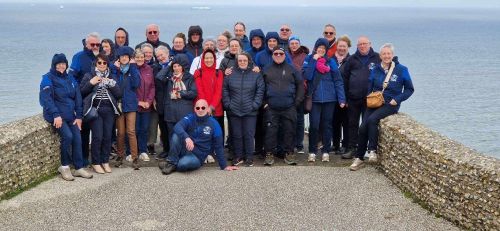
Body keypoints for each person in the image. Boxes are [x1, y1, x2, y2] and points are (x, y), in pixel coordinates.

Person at [350, 43, 414, 171]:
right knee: (362, 128)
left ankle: (372, 151)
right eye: (384, 54)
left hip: (390, 104)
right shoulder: (375, 69)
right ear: (380, 55)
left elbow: (409, 89)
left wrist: (398, 99)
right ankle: (359, 158)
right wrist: (370, 97)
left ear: (392, 55)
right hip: (375, 102)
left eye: (388, 53)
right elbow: (370, 86)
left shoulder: (402, 69)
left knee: (372, 120)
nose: (386, 56)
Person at [39, 53, 93, 180]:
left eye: (63, 64)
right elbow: (46, 99)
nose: (61, 66)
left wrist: (79, 116)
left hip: (71, 116)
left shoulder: (70, 78)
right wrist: (55, 115)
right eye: (58, 64)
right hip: (57, 116)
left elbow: (78, 98)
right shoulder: (47, 78)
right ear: (54, 65)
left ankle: (79, 168)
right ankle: (64, 167)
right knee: (68, 136)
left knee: (77, 138)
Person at [158, 99, 239, 175]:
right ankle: (172, 162)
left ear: (208, 109)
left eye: (203, 107)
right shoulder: (190, 117)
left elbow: (218, 146)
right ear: (195, 109)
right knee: (176, 135)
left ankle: (171, 164)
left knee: (182, 165)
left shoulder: (214, 124)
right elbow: (177, 126)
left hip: (197, 156)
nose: (200, 110)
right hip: (186, 148)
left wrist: (224, 166)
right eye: (198, 108)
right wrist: (187, 138)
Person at [303, 38, 346, 162]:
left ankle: (326, 151)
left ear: (326, 49)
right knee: (314, 126)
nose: (321, 49)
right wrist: (314, 60)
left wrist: (341, 98)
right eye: (319, 47)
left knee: (327, 125)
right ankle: (312, 151)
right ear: (316, 48)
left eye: (323, 48)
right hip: (315, 99)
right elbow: (307, 76)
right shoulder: (309, 59)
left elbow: (338, 80)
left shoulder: (331, 61)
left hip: (329, 99)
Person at [262, 47, 304, 166]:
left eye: (281, 53)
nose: (279, 55)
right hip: (271, 107)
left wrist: (296, 102)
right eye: (276, 53)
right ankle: (269, 154)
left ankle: (289, 153)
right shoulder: (266, 70)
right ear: (272, 55)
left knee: (289, 131)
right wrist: (264, 103)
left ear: (285, 55)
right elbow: (260, 88)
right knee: (270, 131)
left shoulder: (292, 69)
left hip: (289, 106)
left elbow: (300, 86)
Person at [80, 53, 122, 174]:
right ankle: (96, 162)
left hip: (109, 109)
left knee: (108, 137)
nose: (102, 65)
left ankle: (105, 161)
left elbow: (119, 95)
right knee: (97, 137)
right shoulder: (89, 75)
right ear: (95, 64)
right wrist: (91, 83)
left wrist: (111, 85)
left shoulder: (112, 76)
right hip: (95, 110)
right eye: (100, 62)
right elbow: (81, 92)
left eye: (104, 63)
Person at [340, 36, 381, 159]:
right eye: (360, 44)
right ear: (357, 46)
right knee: (352, 124)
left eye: (364, 44)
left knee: (367, 124)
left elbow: (386, 69)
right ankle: (352, 148)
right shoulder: (352, 59)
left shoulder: (377, 58)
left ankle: (368, 150)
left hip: (370, 99)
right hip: (353, 98)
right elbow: (345, 79)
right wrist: (345, 98)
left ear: (370, 44)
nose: (362, 46)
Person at [223, 52, 265, 166]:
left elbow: (260, 90)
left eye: (244, 60)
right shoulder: (230, 74)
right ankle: (238, 156)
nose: (242, 62)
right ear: (237, 62)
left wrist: (255, 105)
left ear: (249, 61)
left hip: (250, 110)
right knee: (236, 134)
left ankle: (249, 157)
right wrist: (228, 104)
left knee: (249, 134)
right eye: (240, 60)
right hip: (234, 109)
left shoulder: (256, 74)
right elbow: (225, 90)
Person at [68, 32, 101, 167]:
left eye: (97, 44)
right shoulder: (79, 57)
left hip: (99, 99)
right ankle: (83, 159)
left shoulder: (101, 57)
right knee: (83, 130)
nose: (94, 46)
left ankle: (97, 159)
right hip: (83, 98)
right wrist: (78, 93)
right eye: (92, 44)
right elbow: (71, 77)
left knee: (99, 132)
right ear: (86, 44)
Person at [156, 54, 197, 140]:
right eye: (174, 66)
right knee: (172, 136)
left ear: (183, 67)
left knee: (186, 136)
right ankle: (174, 153)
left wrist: (180, 94)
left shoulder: (189, 78)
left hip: (185, 112)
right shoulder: (169, 78)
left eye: (179, 66)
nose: (176, 68)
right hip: (171, 113)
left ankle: (186, 153)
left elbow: (193, 93)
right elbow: (159, 77)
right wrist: (169, 65)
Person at [113, 46, 141, 169]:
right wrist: (115, 69)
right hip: (119, 104)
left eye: (126, 56)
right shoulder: (116, 71)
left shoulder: (133, 70)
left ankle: (135, 157)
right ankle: (120, 155)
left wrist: (133, 67)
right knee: (121, 132)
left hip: (131, 105)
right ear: (118, 58)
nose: (124, 58)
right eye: (121, 56)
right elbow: (113, 84)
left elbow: (136, 84)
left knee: (131, 131)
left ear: (129, 58)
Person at [193, 50, 224, 163]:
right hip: (202, 108)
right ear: (202, 59)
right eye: (206, 58)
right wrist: (205, 108)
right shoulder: (198, 72)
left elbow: (218, 91)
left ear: (214, 59)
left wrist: (212, 107)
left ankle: (211, 152)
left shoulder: (219, 73)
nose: (209, 60)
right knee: (202, 132)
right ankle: (203, 154)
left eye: (211, 58)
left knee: (213, 132)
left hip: (216, 108)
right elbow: (199, 90)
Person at [288, 36, 309, 154]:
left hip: (301, 90)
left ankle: (299, 144)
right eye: (292, 43)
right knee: (288, 119)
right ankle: (290, 143)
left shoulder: (305, 56)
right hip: (288, 91)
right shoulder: (285, 55)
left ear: (299, 44)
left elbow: (306, 72)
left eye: (296, 43)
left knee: (300, 119)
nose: (294, 45)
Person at [331, 35, 352, 154]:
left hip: (347, 97)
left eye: (344, 46)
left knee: (346, 122)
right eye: (340, 46)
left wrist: (348, 99)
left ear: (348, 47)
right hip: (333, 96)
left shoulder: (352, 60)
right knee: (334, 121)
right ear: (336, 46)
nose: (342, 48)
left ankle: (345, 145)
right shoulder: (330, 59)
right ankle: (335, 144)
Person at [134, 49, 155, 162]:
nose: (140, 59)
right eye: (137, 57)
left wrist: (149, 101)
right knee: (135, 129)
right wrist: (138, 101)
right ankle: (132, 151)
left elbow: (152, 87)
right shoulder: (131, 70)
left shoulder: (149, 69)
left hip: (147, 106)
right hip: (135, 106)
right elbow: (129, 89)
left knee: (144, 129)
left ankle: (143, 151)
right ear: (134, 58)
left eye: (141, 57)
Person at [151, 46, 171, 158]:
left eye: (162, 55)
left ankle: (174, 149)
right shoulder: (155, 68)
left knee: (172, 127)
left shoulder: (174, 66)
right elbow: (153, 85)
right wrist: (154, 99)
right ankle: (166, 149)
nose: (160, 58)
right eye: (158, 56)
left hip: (172, 101)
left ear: (167, 53)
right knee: (163, 127)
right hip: (160, 100)